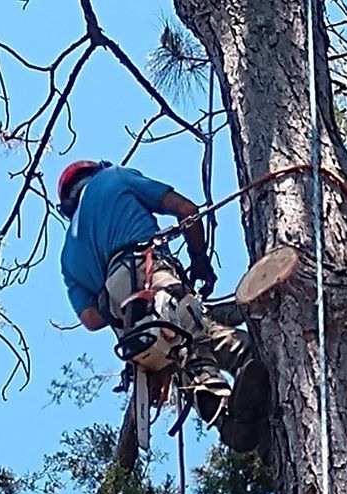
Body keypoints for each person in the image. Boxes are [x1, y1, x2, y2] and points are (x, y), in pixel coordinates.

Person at [56, 160, 269, 453]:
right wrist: (200, 261)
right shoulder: (114, 179)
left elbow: (91, 320)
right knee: (189, 327)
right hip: (150, 268)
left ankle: (227, 419)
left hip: (125, 316)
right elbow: (187, 211)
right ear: (95, 172)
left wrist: (119, 299)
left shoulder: (68, 255)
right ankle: (246, 363)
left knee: (175, 349)